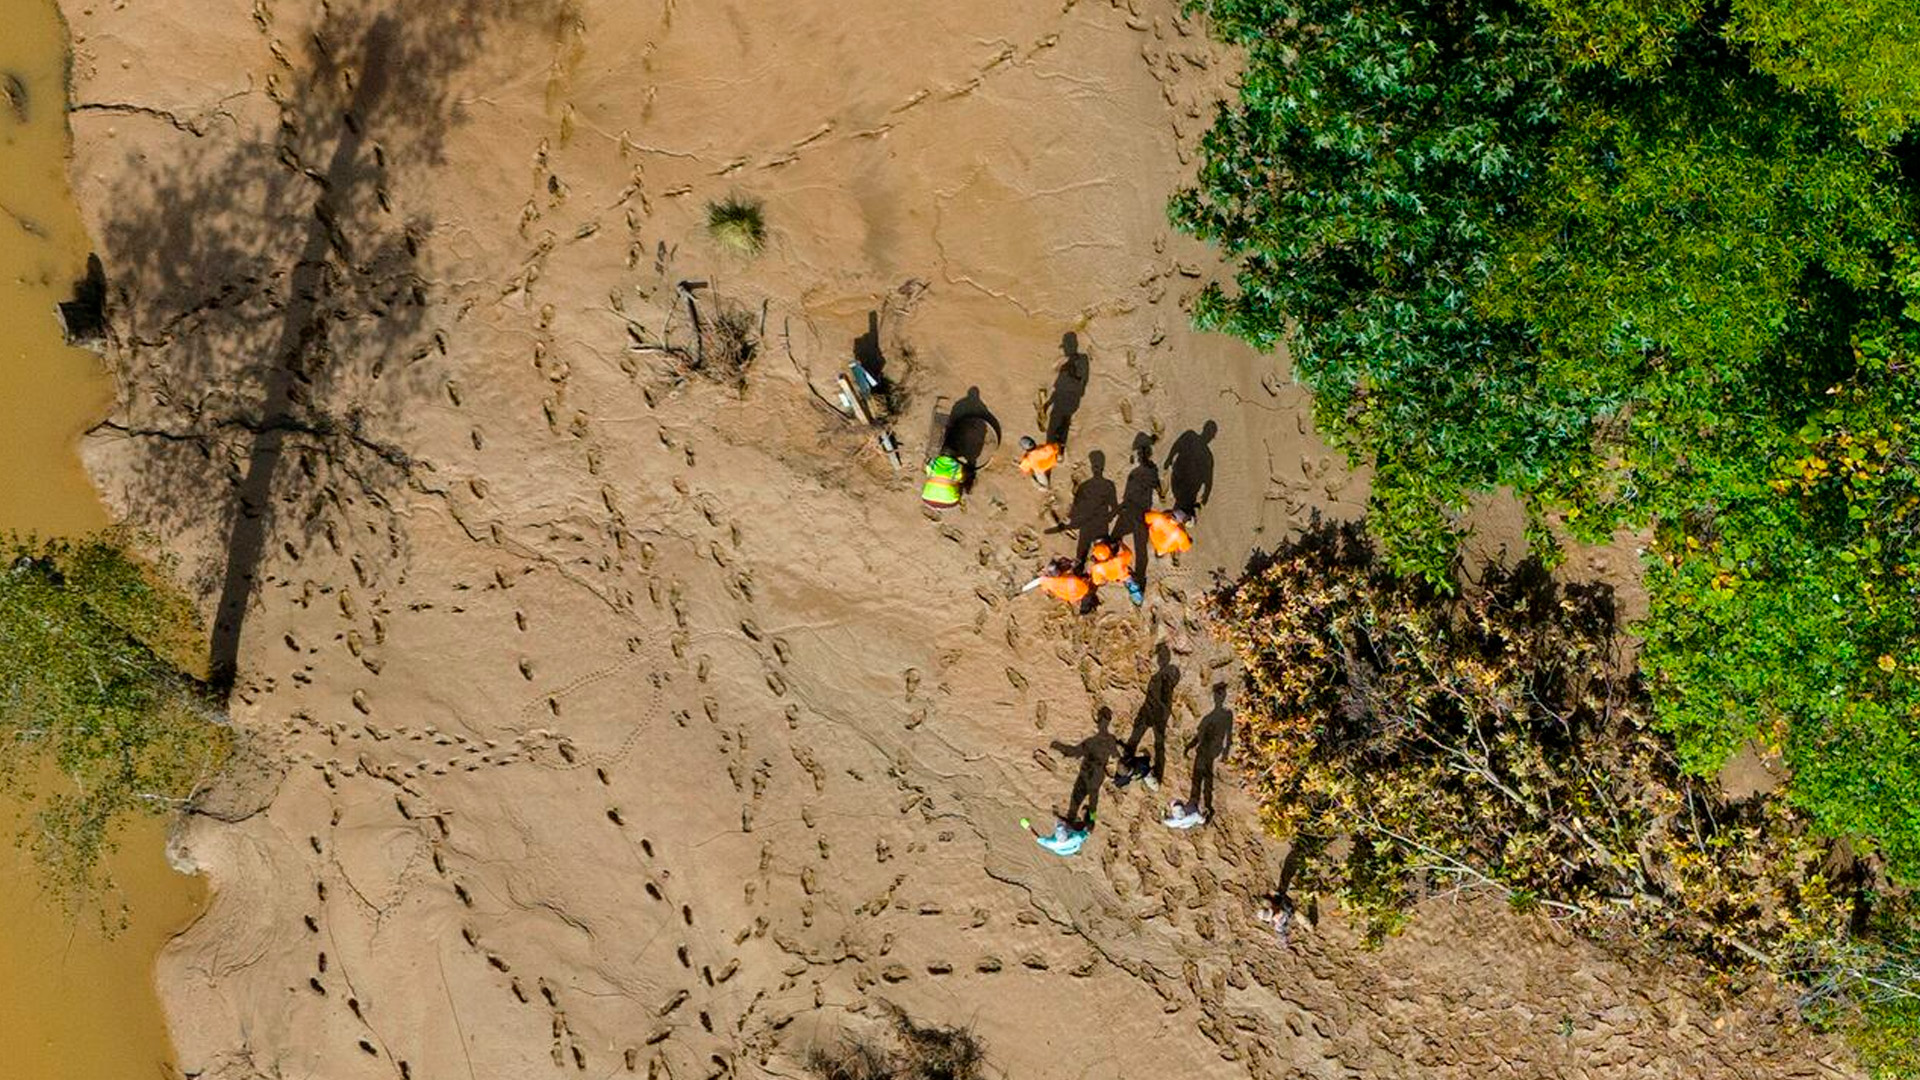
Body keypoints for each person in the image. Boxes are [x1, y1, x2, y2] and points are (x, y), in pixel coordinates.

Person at [1086, 538, 1144, 605]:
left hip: (1113, 578)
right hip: (1124, 575)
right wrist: (1121, 543)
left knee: (1129, 583)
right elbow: (1128, 552)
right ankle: (1138, 600)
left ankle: (1138, 600)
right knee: (1133, 586)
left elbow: (1097, 581)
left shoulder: (1096, 568)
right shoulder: (1119, 559)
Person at [1026, 556, 1092, 609]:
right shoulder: (1074, 581)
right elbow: (1085, 587)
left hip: (1065, 595)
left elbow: (1044, 587)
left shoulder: (1049, 582)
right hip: (1075, 595)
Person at [1025, 816, 1090, 856]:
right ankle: (1074, 851)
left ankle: (1073, 852)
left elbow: (1037, 838)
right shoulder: (1076, 838)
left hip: (1061, 851)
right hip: (1073, 847)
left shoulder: (1051, 844)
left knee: (1060, 820)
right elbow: (1087, 831)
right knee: (1084, 827)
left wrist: (1029, 828)